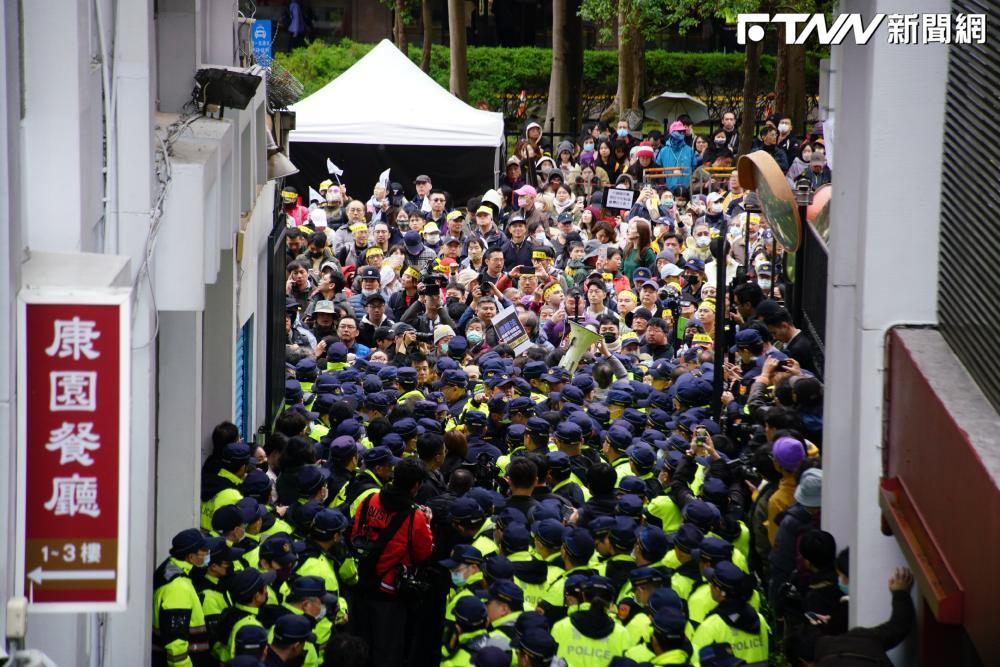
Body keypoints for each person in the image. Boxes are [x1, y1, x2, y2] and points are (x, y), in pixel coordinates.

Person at [351, 458, 434, 666]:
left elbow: (355, 535)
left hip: (359, 582)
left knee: (361, 643)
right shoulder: (416, 517)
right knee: (388, 649)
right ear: (416, 486)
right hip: (390, 592)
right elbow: (423, 555)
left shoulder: (369, 500)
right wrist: (427, 525)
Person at [152, 529, 211, 667]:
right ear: (191, 557)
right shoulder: (178, 587)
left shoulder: (169, 568)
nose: (208, 554)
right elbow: (176, 643)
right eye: (204, 551)